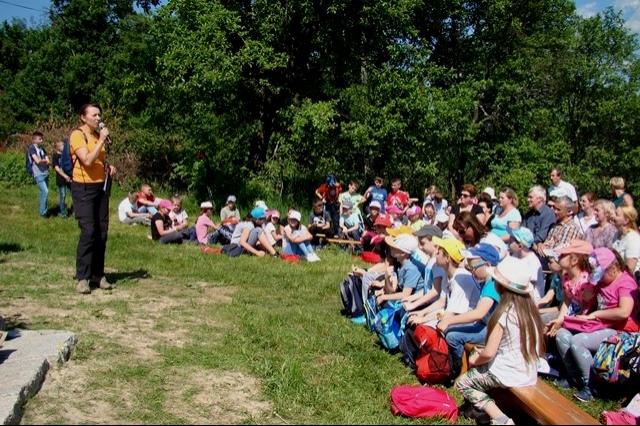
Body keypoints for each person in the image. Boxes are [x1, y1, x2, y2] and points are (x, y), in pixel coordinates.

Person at [456, 256, 545, 426]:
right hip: (527, 373)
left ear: (500, 285)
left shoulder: (504, 314)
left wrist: (475, 359)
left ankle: (500, 418)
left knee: (463, 383)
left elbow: (489, 353)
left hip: (506, 373)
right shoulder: (531, 312)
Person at [552, 248, 639, 402]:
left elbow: (624, 312)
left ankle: (591, 386)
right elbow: (590, 304)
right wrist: (587, 297)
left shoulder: (625, 282)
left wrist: (596, 314)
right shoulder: (601, 282)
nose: (600, 279)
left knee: (578, 341)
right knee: (562, 335)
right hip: (598, 326)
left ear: (613, 268)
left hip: (619, 330)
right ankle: (575, 378)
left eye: (601, 274)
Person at [69, 103, 116, 294]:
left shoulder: (97, 136)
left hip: (100, 187)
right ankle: (82, 277)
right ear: (83, 117)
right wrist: (101, 140)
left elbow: (97, 160)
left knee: (101, 232)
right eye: (94, 115)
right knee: (88, 231)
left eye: (99, 115)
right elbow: (87, 160)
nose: (98, 118)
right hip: (83, 188)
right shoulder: (77, 135)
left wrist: (107, 166)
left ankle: (98, 274)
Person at [437, 243, 501, 372]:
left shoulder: (493, 285)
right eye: (469, 267)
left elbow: (479, 313)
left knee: (453, 336)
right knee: (451, 330)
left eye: (473, 267)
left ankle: (461, 369)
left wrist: (448, 321)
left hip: (493, 330)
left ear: (488, 265)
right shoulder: (485, 282)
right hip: (484, 324)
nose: (471, 271)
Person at [542, 240, 594, 328]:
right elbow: (566, 301)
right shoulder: (566, 277)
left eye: (563, 255)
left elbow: (586, 309)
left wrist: (564, 323)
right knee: (541, 320)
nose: (559, 257)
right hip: (569, 313)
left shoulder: (585, 282)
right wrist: (559, 320)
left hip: (582, 319)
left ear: (574, 260)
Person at [375, 234, 426, 307]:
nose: (391, 248)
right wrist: (386, 278)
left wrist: (384, 297)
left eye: (394, 247)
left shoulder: (411, 268)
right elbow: (391, 291)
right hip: (406, 296)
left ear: (403, 253)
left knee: (386, 304)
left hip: (416, 301)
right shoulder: (399, 262)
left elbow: (405, 294)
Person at [507, 226, 545, 303]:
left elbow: (530, 285)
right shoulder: (515, 255)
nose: (508, 244)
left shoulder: (532, 261)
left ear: (520, 246)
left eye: (510, 242)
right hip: (517, 291)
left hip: (531, 298)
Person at [523, 185, 556, 265]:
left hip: (540, 252)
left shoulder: (548, 214)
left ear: (539, 199)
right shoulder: (529, 215)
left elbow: (541, 236)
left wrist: (529, 243)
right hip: (526, 247)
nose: (528, 200)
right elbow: (522, 232)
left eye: (531, 197)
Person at [28, 131, 50, 218]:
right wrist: (43, 161)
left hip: (45, 172)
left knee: (43, 193)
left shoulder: (42, 149)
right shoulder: (32, 149)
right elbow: (37, 161)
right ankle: (43, 212)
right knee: (45, 191)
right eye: (40, 139)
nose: (41, 141)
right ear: (34, 140)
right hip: (38, 173)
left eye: (42, 139)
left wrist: (43, 161)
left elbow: (48, 161)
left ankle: (43, 209)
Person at [612, 204, 640, 274]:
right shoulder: (617, 235)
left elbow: (630, 269)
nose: (613, 216)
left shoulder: (633, 238)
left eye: (616, 214)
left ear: (626, 220)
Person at [52, 140, 72, 218]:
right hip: (61, 178)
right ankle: (63, 213)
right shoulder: (55, 156)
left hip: (69, 178)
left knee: (73, 194)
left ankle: (77, 210)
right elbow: (56, 168)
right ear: (58, 147)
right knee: (63, 195)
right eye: (61, 145)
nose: (63, 147)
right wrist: (64, 176)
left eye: (63, 145)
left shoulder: (66, 155)